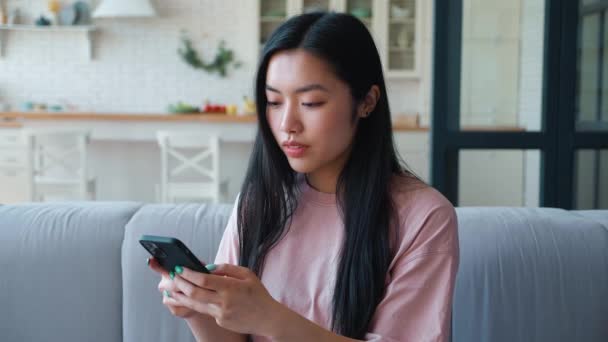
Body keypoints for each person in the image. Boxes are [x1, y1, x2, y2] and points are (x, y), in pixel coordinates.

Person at [148, 11, 459, 342]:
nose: (286, 125)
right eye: (273, 102)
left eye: (310, 103)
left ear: (366, 102)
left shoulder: (424, 217)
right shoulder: (259, 201)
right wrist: (198, 307)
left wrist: (270, 319)